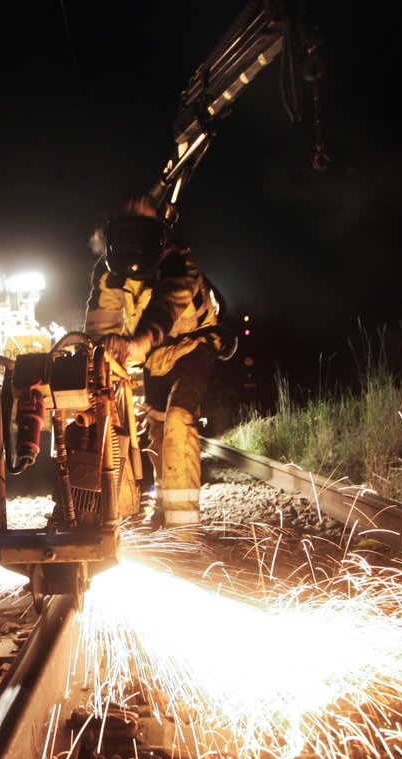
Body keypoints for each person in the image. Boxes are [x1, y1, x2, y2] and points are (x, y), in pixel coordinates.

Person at [84, 195, 234, 529]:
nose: (132, 243)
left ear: (159, 236)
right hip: (154, 356)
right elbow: (101, 327)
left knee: (179, 416)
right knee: (157, 427)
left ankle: (184, 528)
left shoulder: (178, 264)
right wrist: (102, 355)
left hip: (194, 345)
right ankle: (164, 509)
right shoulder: (109, 274)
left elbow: (167, 305)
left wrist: (136, 342)